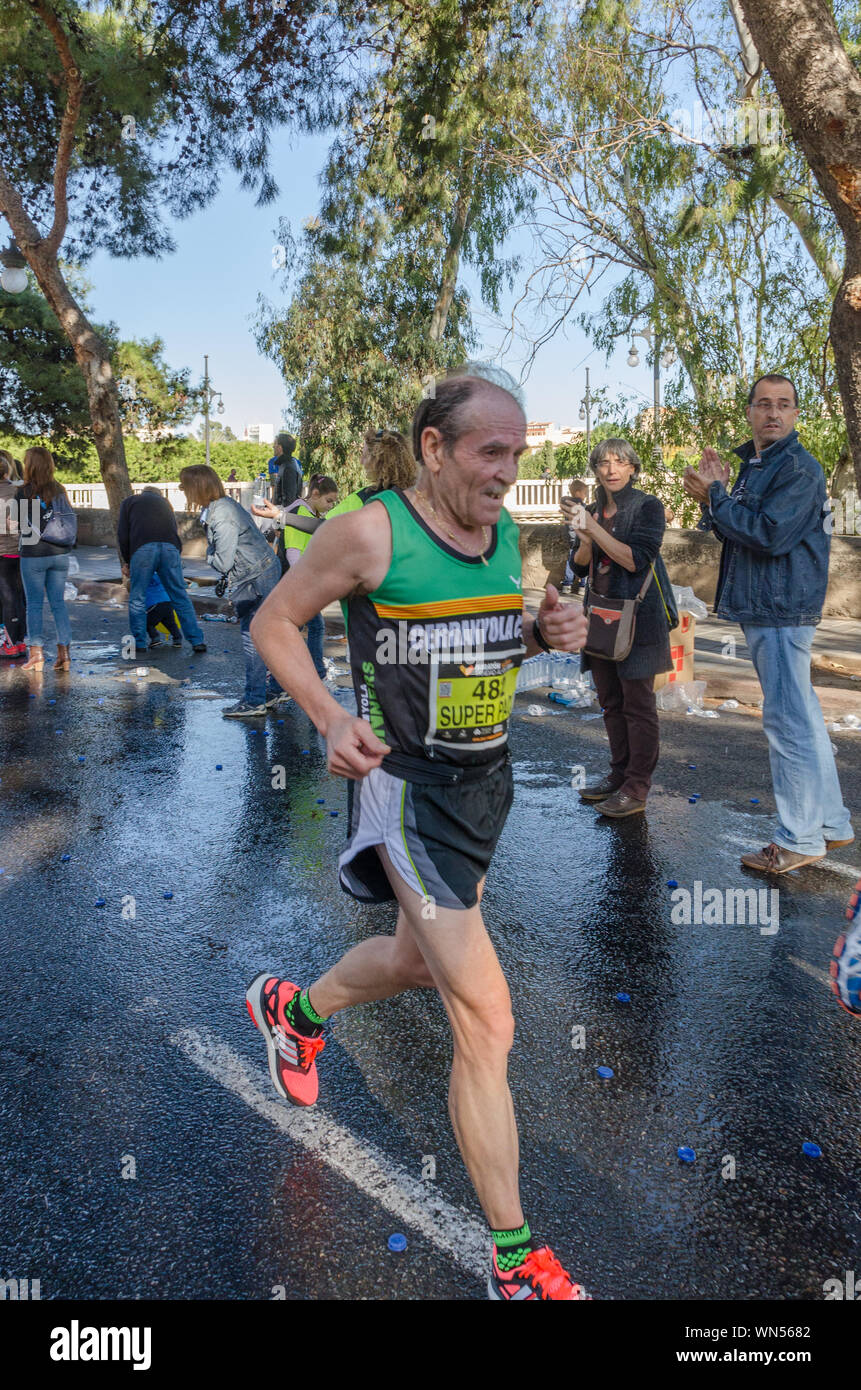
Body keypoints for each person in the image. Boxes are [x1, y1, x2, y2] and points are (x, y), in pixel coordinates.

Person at [245, 368, 592, 1301]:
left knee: (407, 960)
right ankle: (515, 1261)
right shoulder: (367, 533)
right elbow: (274, 623)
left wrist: (544, 629)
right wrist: (325, 715)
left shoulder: (504, 530)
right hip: (404, 794)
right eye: (491, 452)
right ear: (434, 448)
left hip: (486, 788)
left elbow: (480, 640)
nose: (507, 472)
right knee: (486, 1018)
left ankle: (294, 1013)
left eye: (517, 453)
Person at [683, 372, 853, 875]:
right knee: (802, 717)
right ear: (751, 412)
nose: (773, 413)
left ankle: (799, 837)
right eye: (763, 404)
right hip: (773, 606)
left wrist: (716, 495)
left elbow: (769, 535)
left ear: (797, 413)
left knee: (787, 724)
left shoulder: (798, 469)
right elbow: (740, 531)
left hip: (780, 609)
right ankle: (830, 824)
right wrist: (714, 498)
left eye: (783, 404)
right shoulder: (757, 466)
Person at [562, 439, 674, 818]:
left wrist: (593, 527)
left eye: (620, 462)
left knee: (638, 705)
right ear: (595, 469)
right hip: (600, 615)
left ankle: (637, 786)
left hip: (638, 618)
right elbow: (579, 568)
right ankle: (618, 775)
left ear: (632, 468)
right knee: (610, 702)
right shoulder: (592, 509)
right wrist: (583, 537)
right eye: (604, 462)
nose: (611, 469)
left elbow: (635, 560)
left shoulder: (647, 507)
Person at [178, 464, 285, 718]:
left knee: (254, 638)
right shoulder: (220, 507)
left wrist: (208, 555)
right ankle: (274, 690)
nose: (183, 490)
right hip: (260, 572)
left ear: (198, 487)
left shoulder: (221, 514)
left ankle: (254, 700)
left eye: (185, 486)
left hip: (255, 578)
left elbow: (223, 561)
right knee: (265, 637)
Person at [252, 474, 339, 681]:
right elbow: (293, 552)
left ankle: (278, 670)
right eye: (328, 501)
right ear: (315, 494)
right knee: (313, 627)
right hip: (296, 582)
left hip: (294, 581)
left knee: (302, 627)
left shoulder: (304, 511)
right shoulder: (301, 512)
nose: (330, 506)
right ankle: (310, 672)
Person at [117, 486, 207, 658]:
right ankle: (197, 641)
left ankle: (140, 643)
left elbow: (123, 534)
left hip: (142, 549)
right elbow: (174, 529)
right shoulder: (165, 503)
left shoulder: (129, 502)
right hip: (170, 548)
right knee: (179, 595)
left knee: (138, 597)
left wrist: (127, 561)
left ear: (143, 492)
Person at [17, 447, 77, 672]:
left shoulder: (24, 492)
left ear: (29, 465)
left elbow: (22, 526)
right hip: (60, 554)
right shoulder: (59, 488)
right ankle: (65, 654)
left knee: (33, 604)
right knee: (58, 603)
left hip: (34, 555)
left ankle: (37, 654)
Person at [327, 428, 417, 517]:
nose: (361, 461)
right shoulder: (419, 499)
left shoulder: (364, 499)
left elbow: (327, 523)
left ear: (380, 462)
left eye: (365, 456)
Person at [0, 455, 27, 657]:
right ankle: (21, 641)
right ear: (7, 471)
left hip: (2, 553)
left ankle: (8, 643)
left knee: (7, 599)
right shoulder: (20, 490)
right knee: (18, 597)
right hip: (19, 552)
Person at [560, 478, 590, 596]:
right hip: (580, 537)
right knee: (585, 559)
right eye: (584, 493)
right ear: (578, 493)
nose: (585, 496)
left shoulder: (566, 504)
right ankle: (583, 585)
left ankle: (567, 584)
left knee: (571, 559)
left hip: (570, 536)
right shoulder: (581, 506)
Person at [145, 572, 182, 647]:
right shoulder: (160, 575)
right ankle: (177, 639)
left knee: (147, 623)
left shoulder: (145, 575)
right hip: (167, 601)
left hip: (154, 603)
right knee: (171, 623)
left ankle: (155, 638)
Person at [269, 433, 303, 507]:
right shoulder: (288, 464)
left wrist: (277, 513)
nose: (273, 446)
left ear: (280, 447)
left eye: (275, 444)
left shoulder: (288, 468)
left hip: (286, 516)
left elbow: (289, 501)